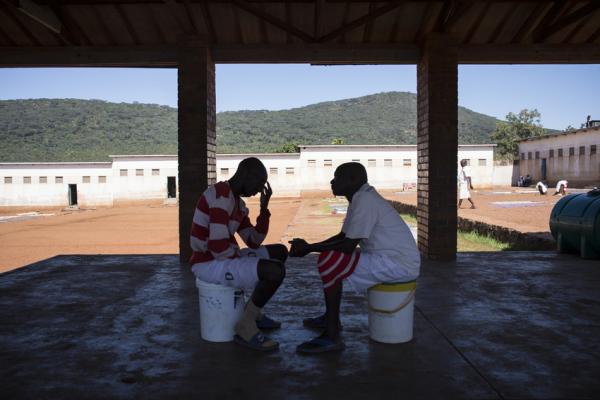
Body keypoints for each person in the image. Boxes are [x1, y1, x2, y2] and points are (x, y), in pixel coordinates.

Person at [288, 162, 420, 354]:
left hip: (399, 265)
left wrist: (309, 248)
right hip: (389, 260)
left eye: (337, 177)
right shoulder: (360, 198)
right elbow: (343, 237)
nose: (332, 181)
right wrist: (310, 246)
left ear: (354, 180)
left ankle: (332, 335)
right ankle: (330, 319)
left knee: (329, 261)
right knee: (330, 258)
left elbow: (348, 246)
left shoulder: (365, 200)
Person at [190, 157, 288, 352]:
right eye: (259, 183)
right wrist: (245, 266)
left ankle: (254, 312)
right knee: (274, 272)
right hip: (208, 263)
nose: (259, 190)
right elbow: (217, 247)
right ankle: (246, 324)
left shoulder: (237, 203)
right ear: (246, 175)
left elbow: (253, 240)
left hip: (224, 257)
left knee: (280, 251)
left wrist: (264, 208)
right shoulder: (221, 196)